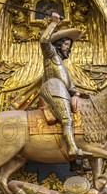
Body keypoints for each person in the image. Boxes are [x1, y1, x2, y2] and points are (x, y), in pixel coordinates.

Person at [39, 12, 91, 159]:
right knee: (67, 119)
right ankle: (73, 149)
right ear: (59, 44)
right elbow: (43, 41)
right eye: (66, 44)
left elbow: (70, 87)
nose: (68, 48)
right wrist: (54, 23)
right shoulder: (51, 55)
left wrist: (80, 93)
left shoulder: (63, 66)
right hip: (53, 88)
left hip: (60, 89)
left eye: (69, 45)